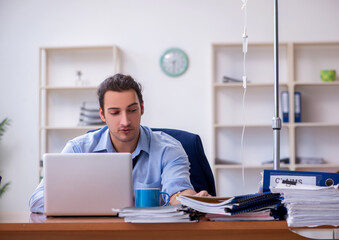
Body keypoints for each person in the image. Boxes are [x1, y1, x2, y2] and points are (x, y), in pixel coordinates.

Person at [29, 73, 209, 213]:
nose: (125, 121)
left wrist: (190, 199)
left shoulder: (169, 148)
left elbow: (177, 192)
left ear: (142, 108)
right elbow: (37, 199)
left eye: (132, 110)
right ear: (102, 114)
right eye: (115, 113)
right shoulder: (78, 148)